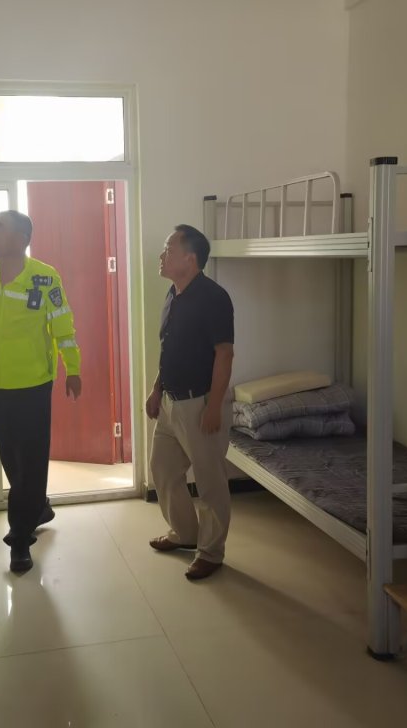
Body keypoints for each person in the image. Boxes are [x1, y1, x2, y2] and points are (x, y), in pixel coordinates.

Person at [0, 210, 82, 574]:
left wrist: (73, 368)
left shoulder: (44, 277)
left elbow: (63, 326)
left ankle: (19, 538)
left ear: (21, 239)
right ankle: (36, 507)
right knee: (12, 459)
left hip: (33, 386)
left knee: (31, 460)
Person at [146, 225, 235, 581]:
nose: (162, 255)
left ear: (190, 258)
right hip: (171, 402)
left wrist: (214, 406)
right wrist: (157, 390)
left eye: (168, 249)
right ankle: (184, 533)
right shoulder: (174, 293)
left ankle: (211, 552)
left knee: (210, 482)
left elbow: (224, 354)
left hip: (200, 404)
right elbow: (169, 349)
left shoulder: (214, 298)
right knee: (163, 470)